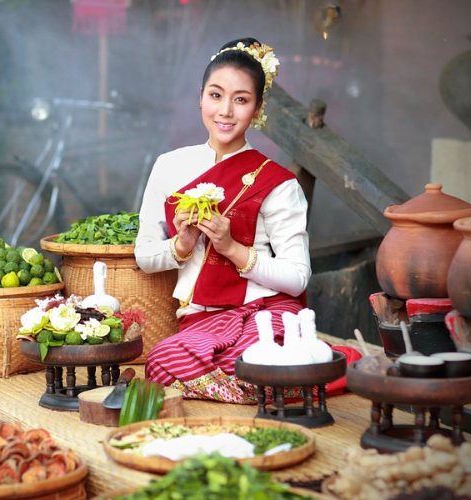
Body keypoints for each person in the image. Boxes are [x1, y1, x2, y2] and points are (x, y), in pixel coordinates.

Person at [134, 37, 359, 403]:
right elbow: (144, 256)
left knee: (259, 355)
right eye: (216, 95)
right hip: (204, 322)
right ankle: (287, 382)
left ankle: (269, 379)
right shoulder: (169, 167)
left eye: (240, 100)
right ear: (200, 98)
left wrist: (232, 248)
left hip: (266, 313)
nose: (225, 111)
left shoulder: (278, 183)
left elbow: (298, 277)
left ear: (257, 109)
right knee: (162, 361)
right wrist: (182, 244)